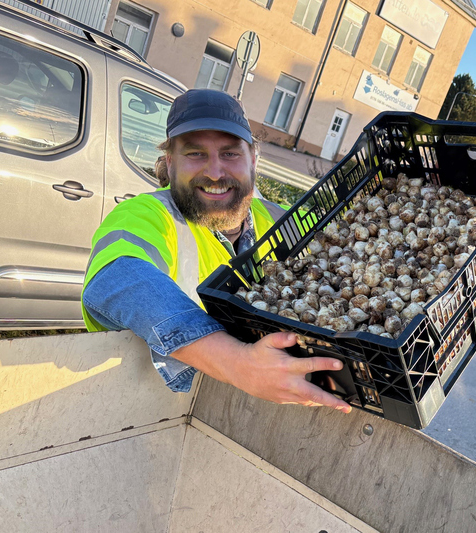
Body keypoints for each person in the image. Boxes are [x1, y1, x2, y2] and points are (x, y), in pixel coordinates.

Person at [82, 89, 351, 413]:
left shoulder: (283, 219)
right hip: (151, 415)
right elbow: (117, 275)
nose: (214, 172)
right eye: (195, 154)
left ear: (253, 159)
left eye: (230, 154)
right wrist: (237, 362)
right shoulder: (148, 214)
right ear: (171, 161)